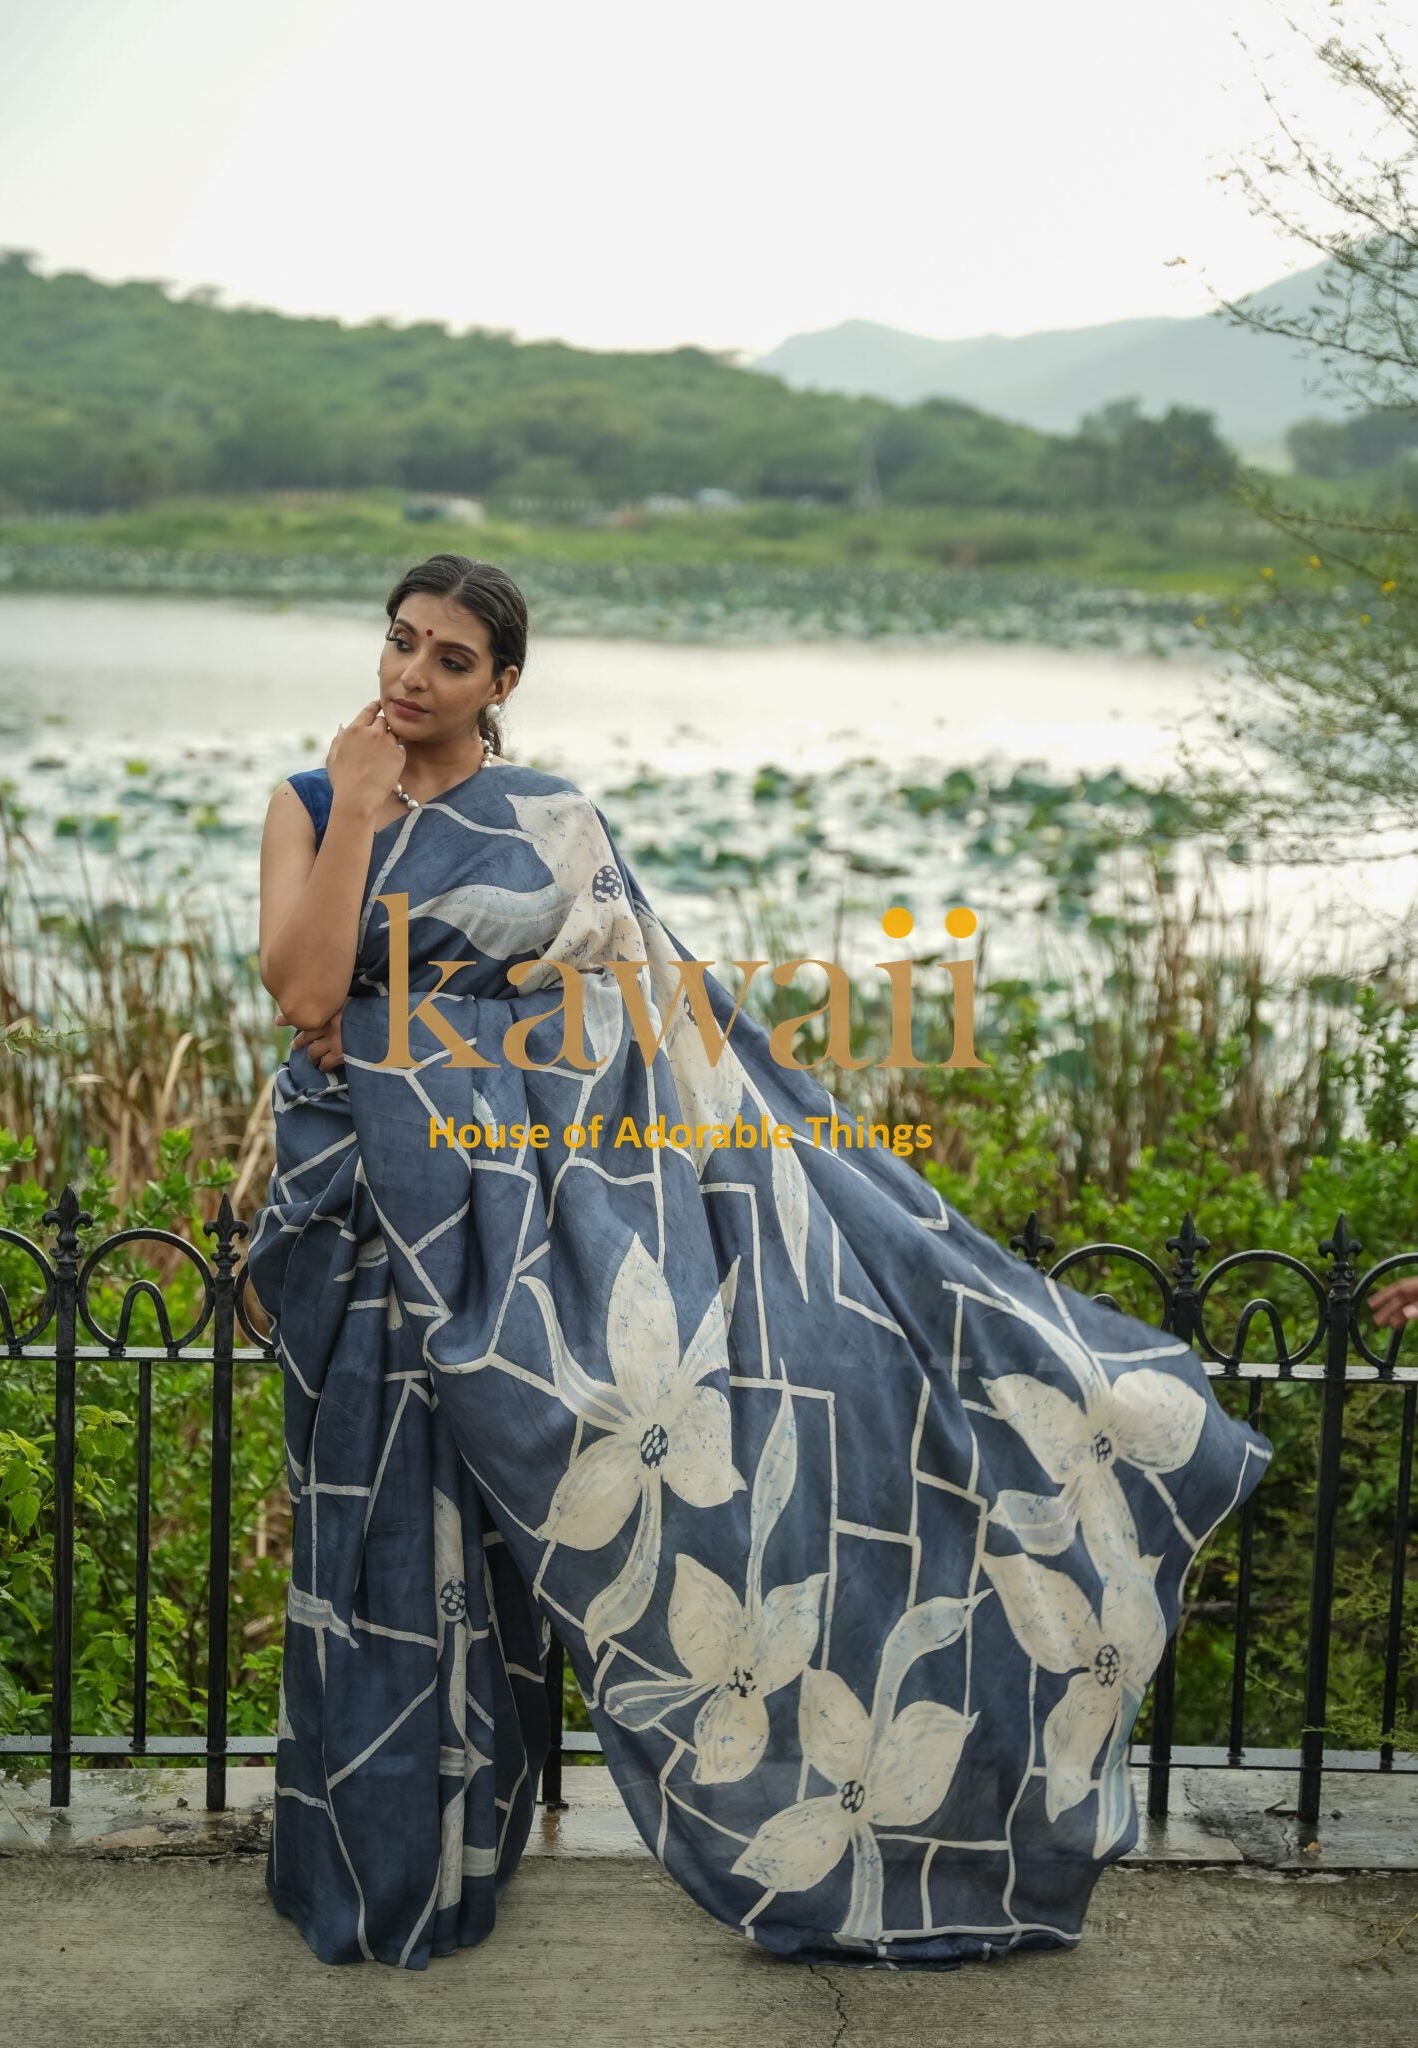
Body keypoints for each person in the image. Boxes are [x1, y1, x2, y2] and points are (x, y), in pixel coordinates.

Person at [247, 551, 1273, 1972]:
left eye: (449, 659)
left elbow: (625, 1013)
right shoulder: (309, 804)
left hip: (502, 1224)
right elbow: (301, 986)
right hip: (356, 1218)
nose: (409, 677)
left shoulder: (554, 825)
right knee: (373, 1532)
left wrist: (393, 1040)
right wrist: (359, 817)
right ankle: (373, 1864)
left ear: (506, 684)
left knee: (505, 1539)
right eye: (399, 644)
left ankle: (489, 1853)